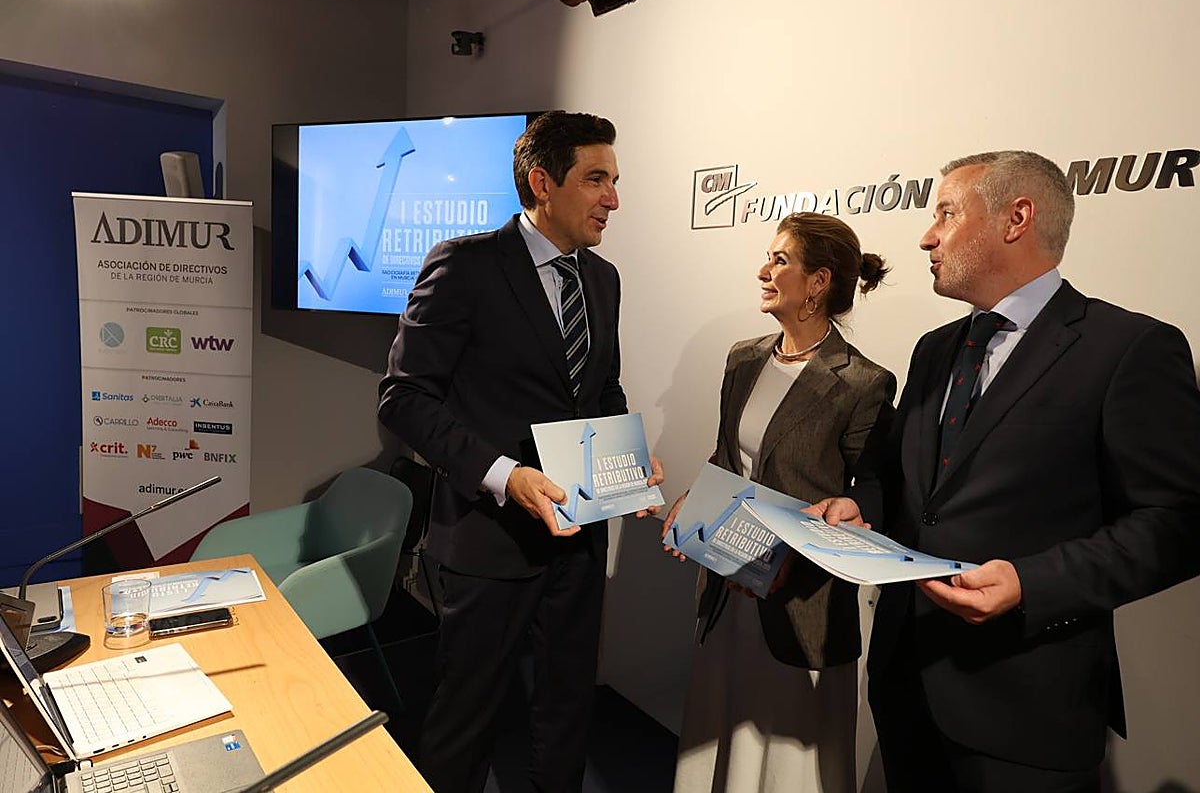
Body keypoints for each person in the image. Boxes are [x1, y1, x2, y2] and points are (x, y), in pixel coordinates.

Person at [810, 150, 1200, 792]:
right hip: (908, 684)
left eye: (946, 214)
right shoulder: (936, 349)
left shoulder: (1128, 348)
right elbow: (906, 482)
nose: (925, 236)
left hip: (1028, 707)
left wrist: (1030, 582)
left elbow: (1178, 522)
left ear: (1017, 217)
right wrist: (864, 509)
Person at [377, 110, 662, 793]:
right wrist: (507, 477)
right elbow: (405, 399)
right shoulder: (465, 265)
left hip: (577, 537)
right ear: (542, 181)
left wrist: (624, 461)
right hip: (487, 540)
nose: (613, 199)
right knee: (465, 720)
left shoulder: (604, 278)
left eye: (615, 181)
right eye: (597, 179)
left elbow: (600, 388)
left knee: (567, 713)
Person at [663, 212, 896, 793]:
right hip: (728, 582)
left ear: (817, 283)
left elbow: (868, 495)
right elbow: (727, 459)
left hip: (800, 597)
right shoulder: (744, 358)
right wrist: (692, 503)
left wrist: (801, 548)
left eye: (780, 260)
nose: (763, 271)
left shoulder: (864, 382)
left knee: (786, 753)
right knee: (718, 728)